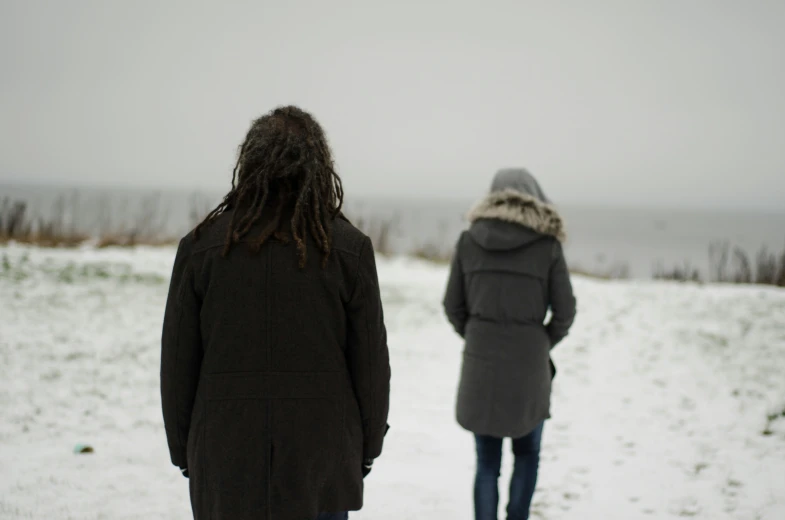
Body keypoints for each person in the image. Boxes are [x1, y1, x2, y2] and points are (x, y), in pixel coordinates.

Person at [161, 106, 391, 520]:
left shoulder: (201, 249)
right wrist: (367, 446)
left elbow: (177, 364)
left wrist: (184, 450)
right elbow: (371, 364)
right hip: (322, 462)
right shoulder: (347, 248)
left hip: (223, 458)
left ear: (249, 164)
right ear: (320, 166)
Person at [443, 168, 576, 520]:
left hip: (481, 366)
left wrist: (476, 336)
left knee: (487, 463)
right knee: (527, 455)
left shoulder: (469, 241)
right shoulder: (547, 245)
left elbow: (452, 306)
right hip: (529, 369)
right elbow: (565, 311)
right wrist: (541, 342)